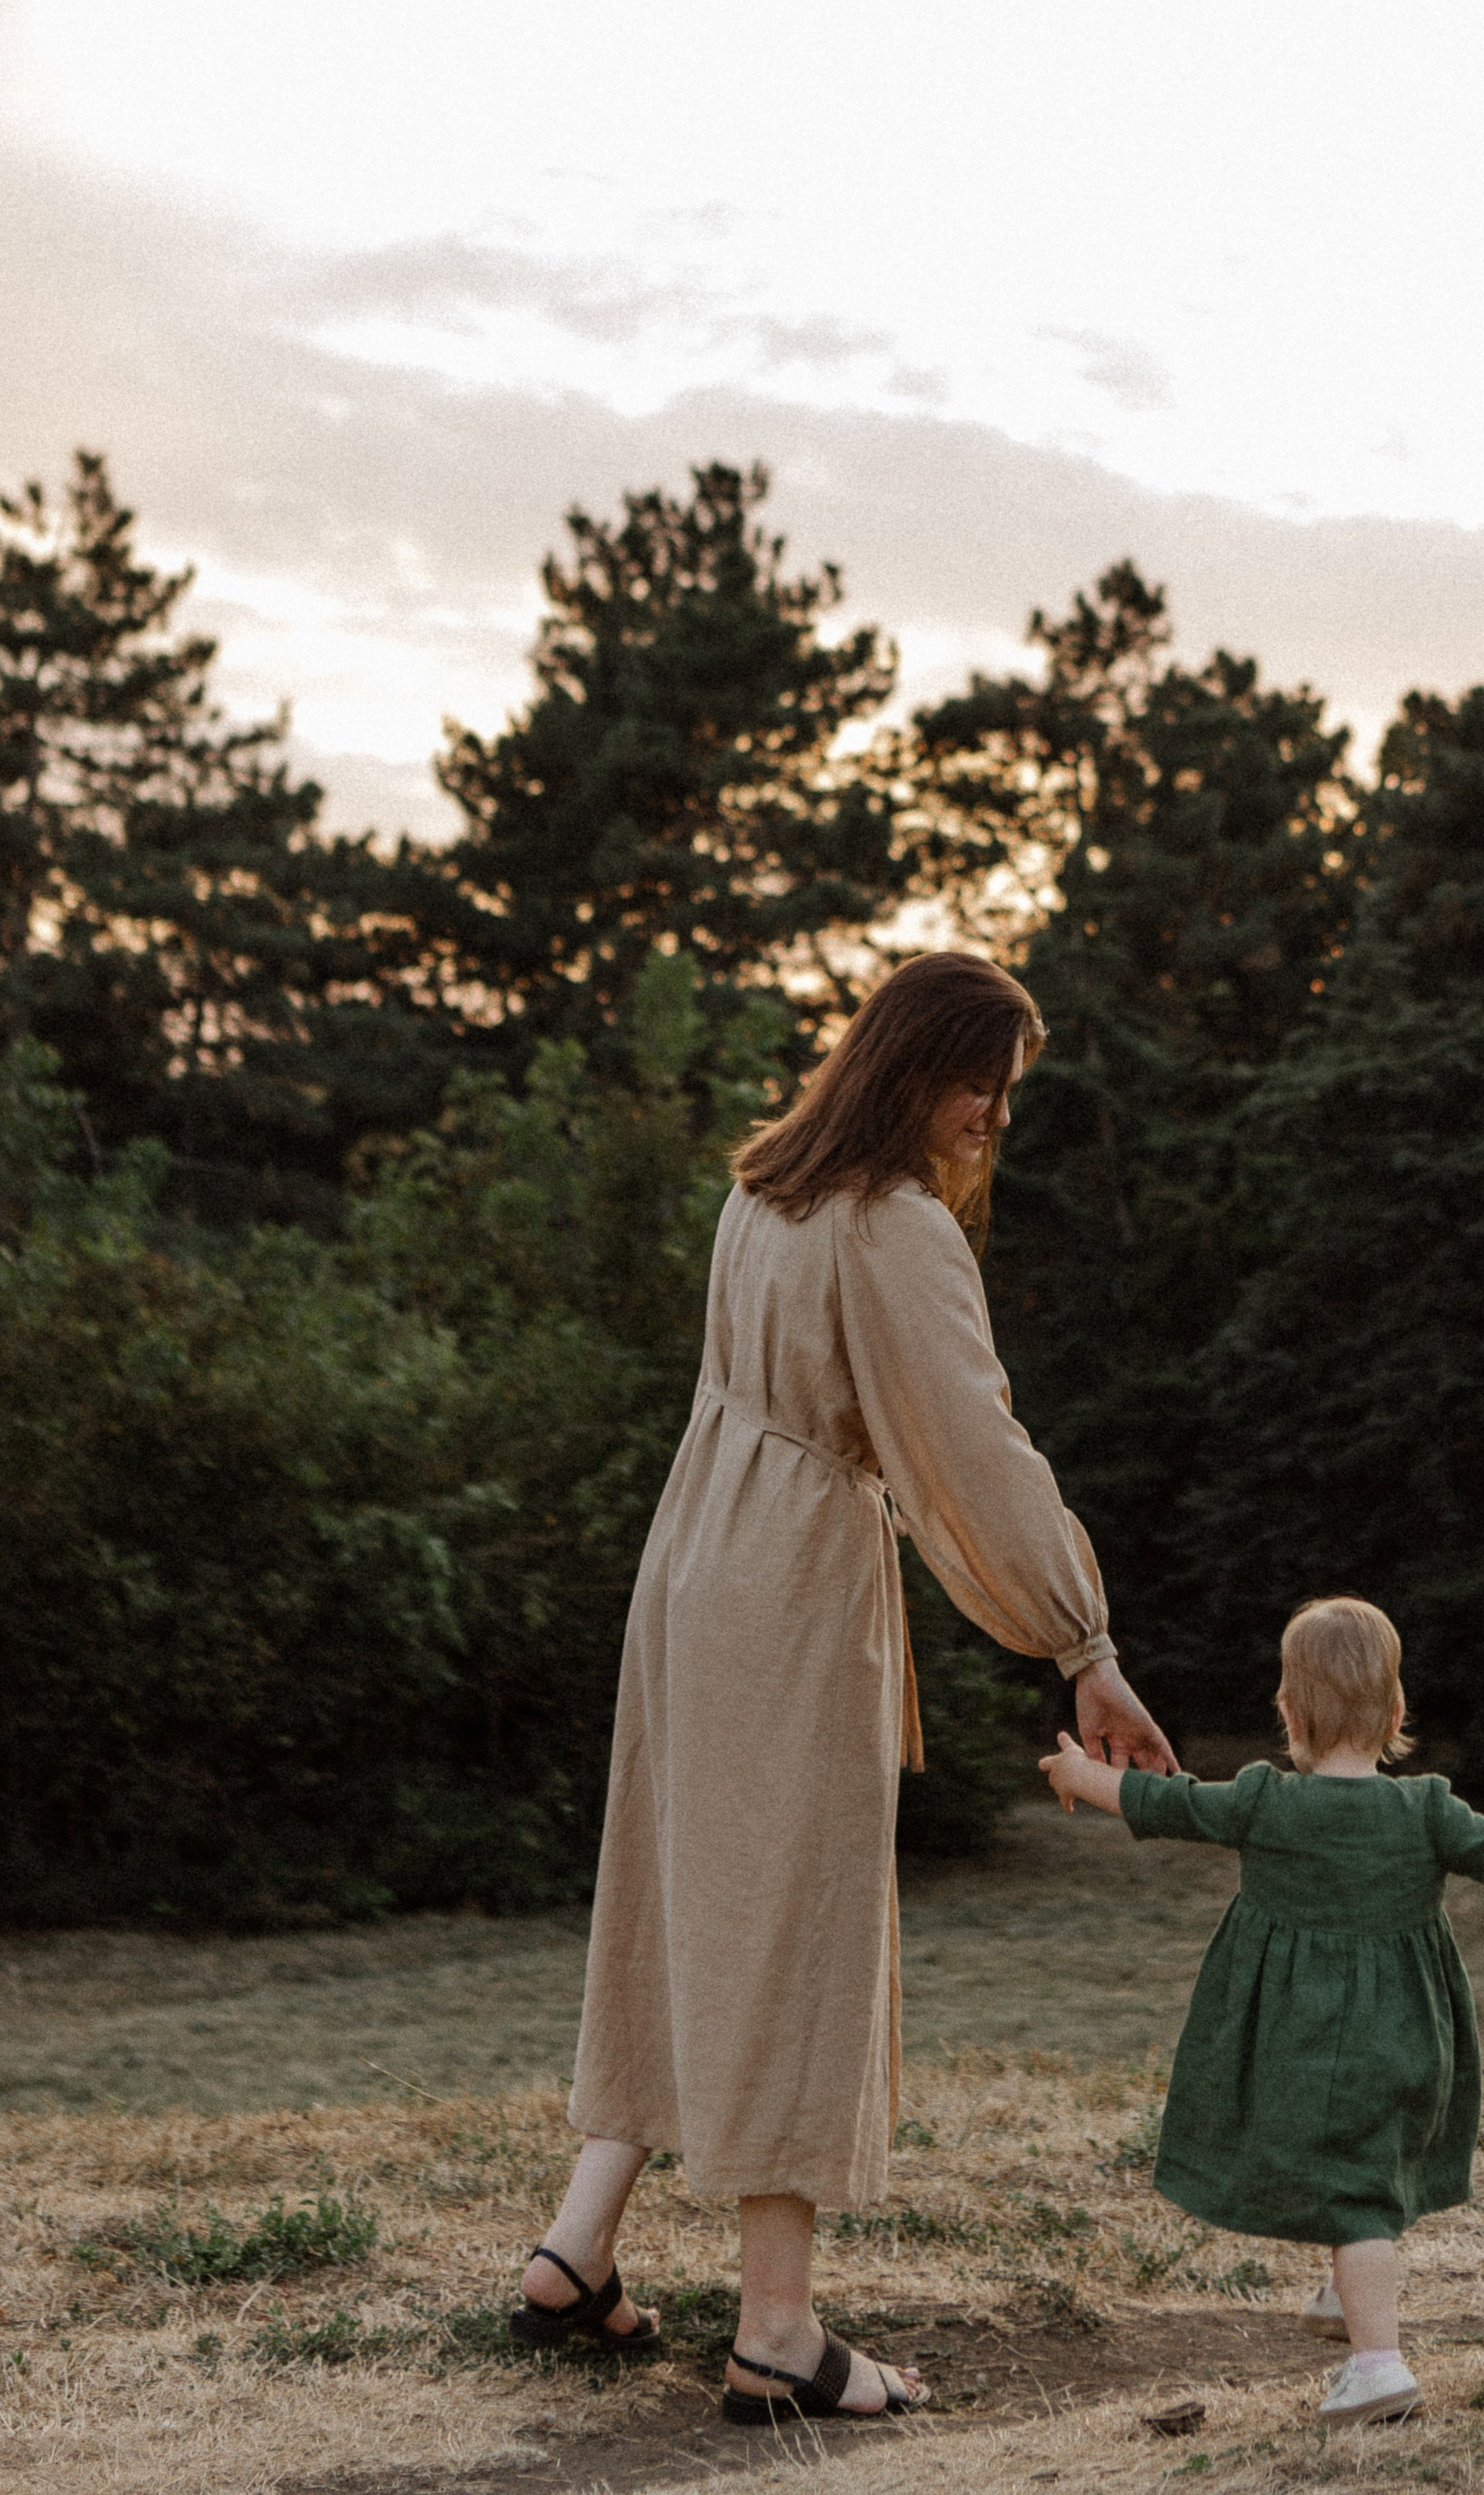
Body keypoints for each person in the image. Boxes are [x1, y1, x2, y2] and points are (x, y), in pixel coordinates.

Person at [510, 949, 1176, 2425]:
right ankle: (779, 2332)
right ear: (919, 1061)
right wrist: (1083, 1640)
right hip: (786, 1592)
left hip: (689, 1565)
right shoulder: (892, 1224)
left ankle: (578, 2246)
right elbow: (977, 1451)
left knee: (685, 1903)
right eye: (982, 1079)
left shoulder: (764, 1187)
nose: (997, 1110)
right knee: (794, 1930)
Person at [1040, 1593, 1484, 2429]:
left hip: (1300, 2042)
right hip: (1410, 2033)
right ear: (1397, 1710)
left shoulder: (1265, 1799)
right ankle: (1351, 2289)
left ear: (1287, 1710)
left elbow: (1165, 1804)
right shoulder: (1427, 1810)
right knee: (1359, 2172)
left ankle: (1378, 2367)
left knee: (1356, 2200)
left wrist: (1075, 1772)